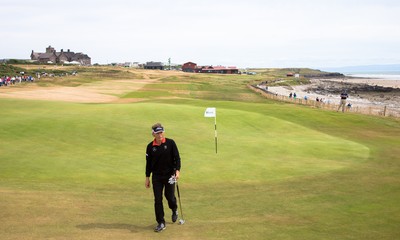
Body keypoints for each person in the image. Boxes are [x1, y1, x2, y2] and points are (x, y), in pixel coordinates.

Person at [145, 123, 181, 232]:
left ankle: (174, 209)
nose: (160, 135)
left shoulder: (170, 143)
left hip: (170, 175)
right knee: (157, 199)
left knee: (169, 197)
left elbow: (177, 158)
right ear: (153, 134)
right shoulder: (150, 147)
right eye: (157, 133)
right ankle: (161, 222)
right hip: (157, 177)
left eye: (161, 132)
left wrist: (177, 171)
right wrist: (147, 177)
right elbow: (148, 164)